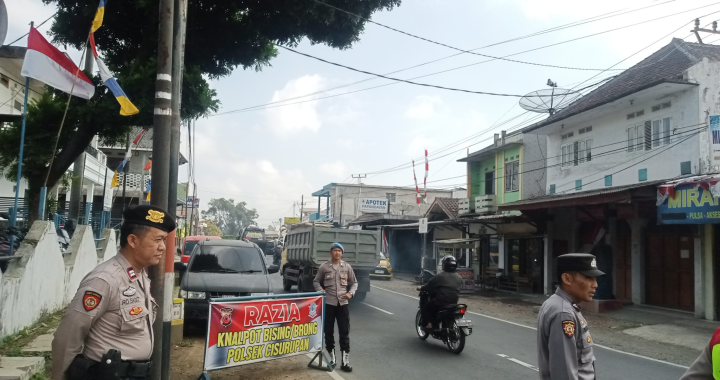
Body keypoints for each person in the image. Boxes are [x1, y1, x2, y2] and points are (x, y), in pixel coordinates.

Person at [51, 205, 176, 380]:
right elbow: (68, 335)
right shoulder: (105, 280)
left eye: (164, 240)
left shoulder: (138, 275)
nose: (162, 247)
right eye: (157, 240)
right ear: (133, 241)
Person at [537, 253, 604, 380]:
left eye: (595, 279)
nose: (595, 285)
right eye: (589, 278)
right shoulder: (563, 313)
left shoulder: (560, 304)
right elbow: (564, 373)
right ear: (567, 279)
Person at [313, 242, 357, 372]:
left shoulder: (347, 267)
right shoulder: (324, 267)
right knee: (328, 332)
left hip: (343, 305)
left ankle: (345, 362)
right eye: (335, 250)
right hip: (329, 304)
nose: (337, 253)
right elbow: (316, 280)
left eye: (339, 251)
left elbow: (354, 282)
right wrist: (320, 289)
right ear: (331, 252)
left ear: (342, 253)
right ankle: (332, 360)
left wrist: (351, 293)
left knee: (344, 332)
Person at [416, 255, 462, 330]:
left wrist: (420, 288)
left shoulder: (440, 276)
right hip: (453, 302)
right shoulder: (459, 277)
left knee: (426, 307)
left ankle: (430, 324)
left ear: (445, 265)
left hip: (441, 302)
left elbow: (429, 286)